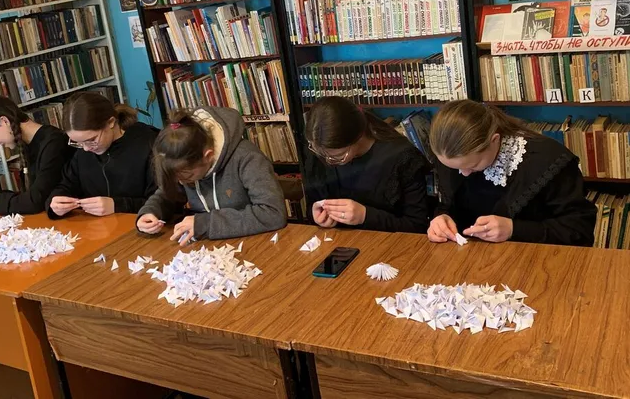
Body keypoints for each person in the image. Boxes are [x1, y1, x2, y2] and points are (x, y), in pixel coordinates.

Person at [428, 100, 596, 246]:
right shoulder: (451, 157)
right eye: (454, 168)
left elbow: (580, 230)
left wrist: (513, 229)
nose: (463, 173)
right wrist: (441, 218)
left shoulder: (548, 161)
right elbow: (448, 204)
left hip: (535, 259)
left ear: (495, 140)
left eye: (473, 165)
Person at [136, 106, 286, 245]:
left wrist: (205, 224)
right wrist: (150, 211)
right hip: (209, 247)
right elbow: (168, 194)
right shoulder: (184, 162)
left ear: (208, 156)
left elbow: (273, 213)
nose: (180, 182)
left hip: (255, 243)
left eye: (187, 177)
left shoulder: (247, 158)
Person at [303, 96, 430, 233]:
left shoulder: (402, 157)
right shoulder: (321, 151)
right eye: (322, 154)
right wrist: (315, 215)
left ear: (358, 136)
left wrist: (365, 216)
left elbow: (417, 225)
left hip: (389, 243)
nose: (328, 161)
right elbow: (312, 203)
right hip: (338, 240)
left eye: (338, 157)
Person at [46, 92, 157, 219]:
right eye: (77, 143)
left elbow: (164, 204)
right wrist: (55, 204)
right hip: (98, 227)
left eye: (91, 140)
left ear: (111, 122)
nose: (86, 148)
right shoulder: (83, 153)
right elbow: (65, 186)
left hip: (138, 226)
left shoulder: (149, 145)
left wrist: (116, 205)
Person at [0, 95, 73, 215]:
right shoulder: (28, 143)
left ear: (5, 121)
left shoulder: (54, 143)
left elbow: (36, 202)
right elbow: (30, 195)